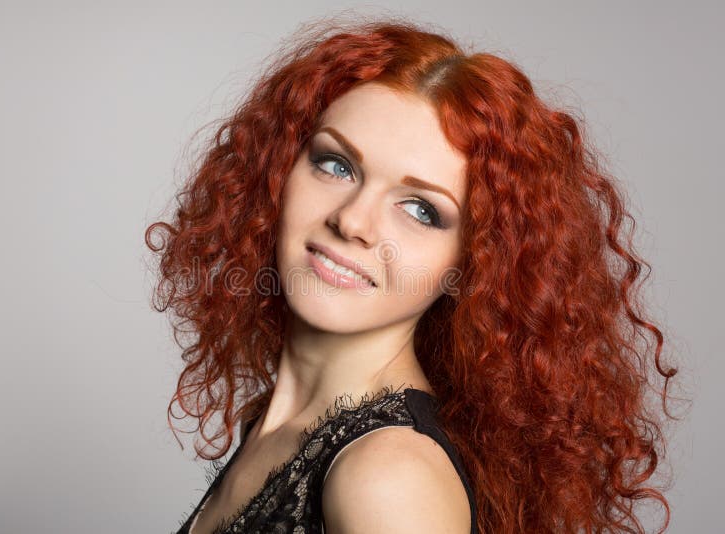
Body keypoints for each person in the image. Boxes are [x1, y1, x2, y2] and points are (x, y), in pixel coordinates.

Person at [145, 15, 679, 534]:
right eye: (336, 165)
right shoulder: (274, 425)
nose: (352, 221)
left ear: (471, 266)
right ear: (278, 170)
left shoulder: (387, 476)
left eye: (422, 209)